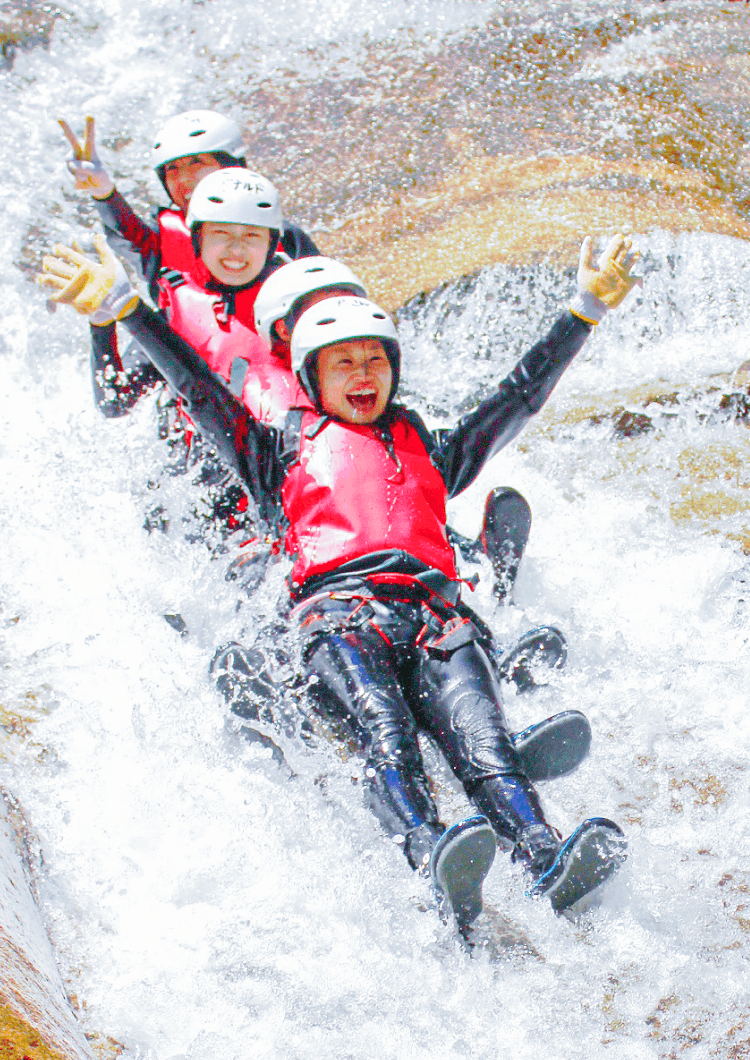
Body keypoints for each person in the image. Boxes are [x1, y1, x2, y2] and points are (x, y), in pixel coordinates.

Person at [38, 232, 639, 936]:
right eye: (343, 363)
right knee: (388, 737)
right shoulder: (274, 453)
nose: (362, 374)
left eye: (374, 360)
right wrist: (125, 309)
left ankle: (545, 857)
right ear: (310, 374)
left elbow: (518, 398)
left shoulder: (434, 450)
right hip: (342, 625)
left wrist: (583, 312)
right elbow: (197, 388)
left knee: (487, 747)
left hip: (440, 624)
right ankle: (431, 849)